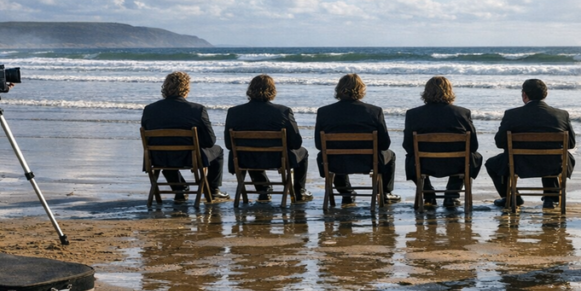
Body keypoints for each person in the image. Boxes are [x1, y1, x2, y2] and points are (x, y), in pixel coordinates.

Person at [486, 78, 576, 209]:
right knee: (550, 154)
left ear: (524, 95)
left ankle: (512, 197)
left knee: (492, 164)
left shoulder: (512, 114)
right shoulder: (561, 115)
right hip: (554, 163)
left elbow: (499, 143)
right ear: (546, 94)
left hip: (520, 163)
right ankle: (551, 197)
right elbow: (571, 144)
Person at [141, 71, 228, 202]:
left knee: (165, 151)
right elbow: (210, 141)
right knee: (218, 150)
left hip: (158, 157)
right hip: (189, 158)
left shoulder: (150, 109)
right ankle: (213, 189)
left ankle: (179, 188)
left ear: (165, 87)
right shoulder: (196, 109)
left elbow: (149, 138)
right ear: (186, 88)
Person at [224, 74, 311, 202]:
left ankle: (263, 189)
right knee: (303, 152)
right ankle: (300, 190)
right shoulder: (283, 111)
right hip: (277, 159)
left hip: (245, 158)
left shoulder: (234, 112)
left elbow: (228, 144)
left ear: (250, 90)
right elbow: (296, 143)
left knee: (251, 149)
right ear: (272, 90)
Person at [314, 73, 397, 205]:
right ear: (361, 90)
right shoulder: (374, 111)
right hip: (368, 161)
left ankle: (346, 192)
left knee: (330, 152)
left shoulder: (324, 112)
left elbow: (319, 145)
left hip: (335, 162)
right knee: (390, 155)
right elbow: (384, 144)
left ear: (339, 89)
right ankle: (385, 192)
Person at [402, 76, 482, 207]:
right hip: (456, 163)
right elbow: (473, 146)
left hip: (424, 163)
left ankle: (428, 194)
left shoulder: (413, 114)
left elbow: (407, 145)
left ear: (426, 91)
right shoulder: (462, 113)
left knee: (411, 158)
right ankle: (452, 195)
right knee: (474, 157)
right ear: (449, 91)